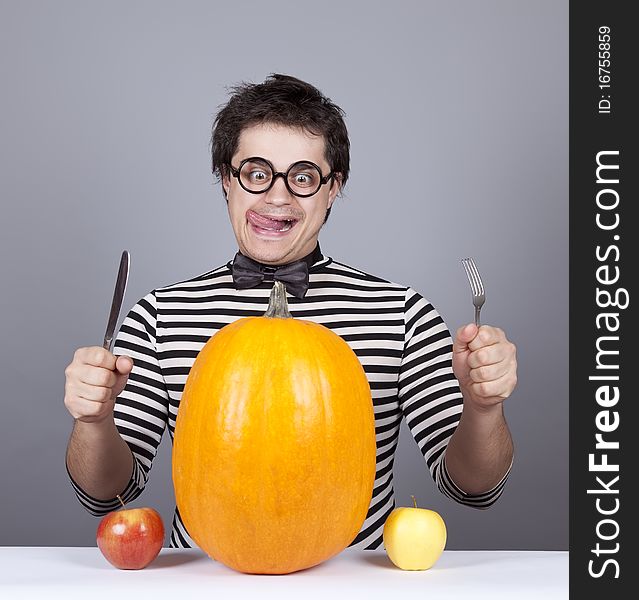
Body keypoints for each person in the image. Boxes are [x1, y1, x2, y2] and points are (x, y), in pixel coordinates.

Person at [64, 74, 516, 549]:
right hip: (204, 581)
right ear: (226, 179)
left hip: (350, 583)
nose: (277, 197)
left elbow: (473, 489)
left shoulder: (402, 313)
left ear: (332, 188)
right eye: (257, 173)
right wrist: (92, 422)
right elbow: (106, 494)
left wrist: (484, 408)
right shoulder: (159, 314)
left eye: (302, 177)